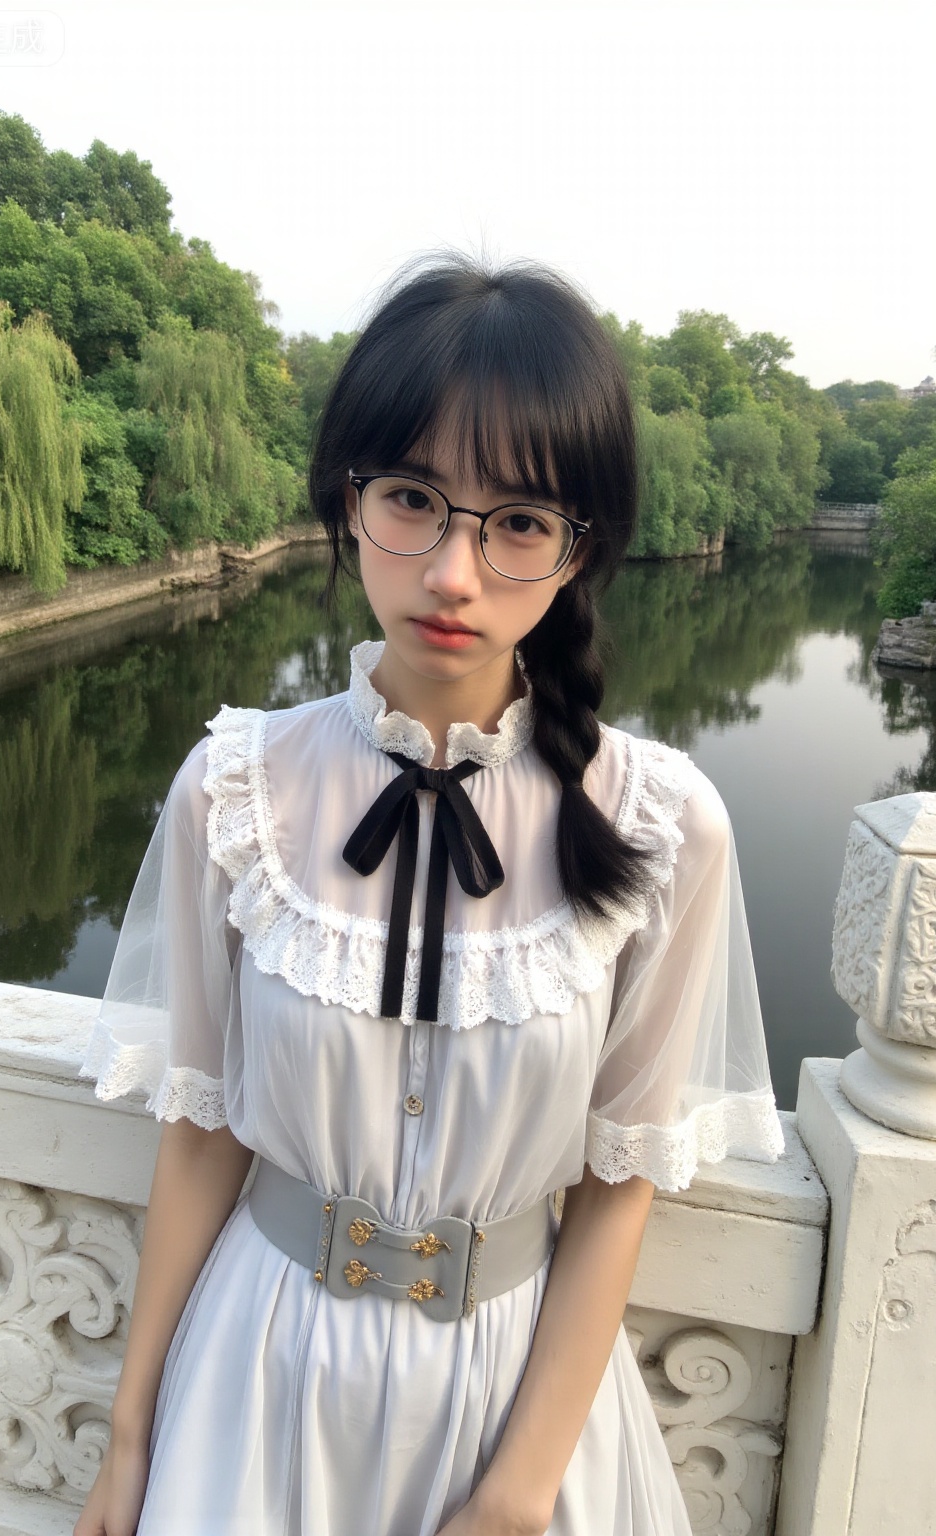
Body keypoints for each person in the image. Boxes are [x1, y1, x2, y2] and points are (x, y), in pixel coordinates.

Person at [75, 253, 784, 1536]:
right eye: (413, 500)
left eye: (516, 523)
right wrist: (130, 1440)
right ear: (347, 506)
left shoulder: (663, 828)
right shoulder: (234, 793)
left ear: (580, 551)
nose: (453, 574)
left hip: (517, 1407)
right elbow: (201, 1134)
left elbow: (617, 1187)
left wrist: (515, 1499)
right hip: (254, 1383)